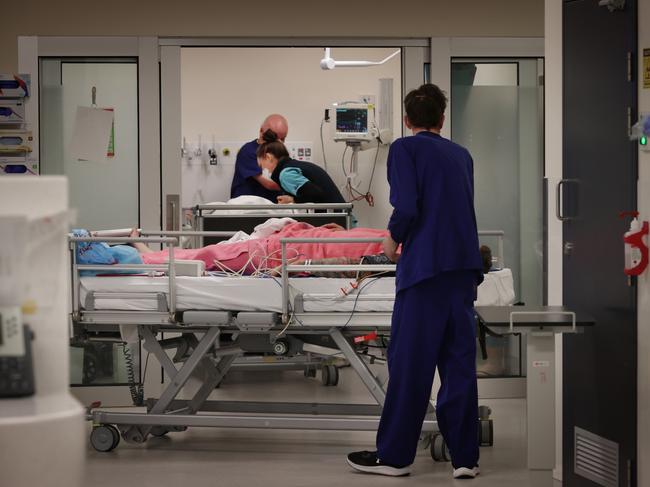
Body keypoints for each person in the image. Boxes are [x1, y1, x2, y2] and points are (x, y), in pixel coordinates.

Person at [346, 84, 484, 479]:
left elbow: (407, 205)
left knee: (411, 366)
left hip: (425, 271)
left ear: (407, 120)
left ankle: (394, 456)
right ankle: (465, 459)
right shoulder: (462, 155)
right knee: (458, 366)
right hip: (461, 272)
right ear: (442, 119)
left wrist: (392, 240)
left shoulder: (404, 150)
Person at [256, 129, 346, 204]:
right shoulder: (295, 166)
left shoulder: (286, 174)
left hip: (336, 219)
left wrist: (292, 200)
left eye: (263, 166)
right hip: (341, 216)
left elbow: (315, 194)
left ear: (269, 157)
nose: (265, 170)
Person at [230, 114, 287, 200]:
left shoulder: (280, 152)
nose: (279, 143)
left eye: (282, 139)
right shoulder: (248, 151)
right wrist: (295, 186)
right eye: (275, 139)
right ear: (261, 131)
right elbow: (269, 184)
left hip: (272, 206)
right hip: (249, 206)